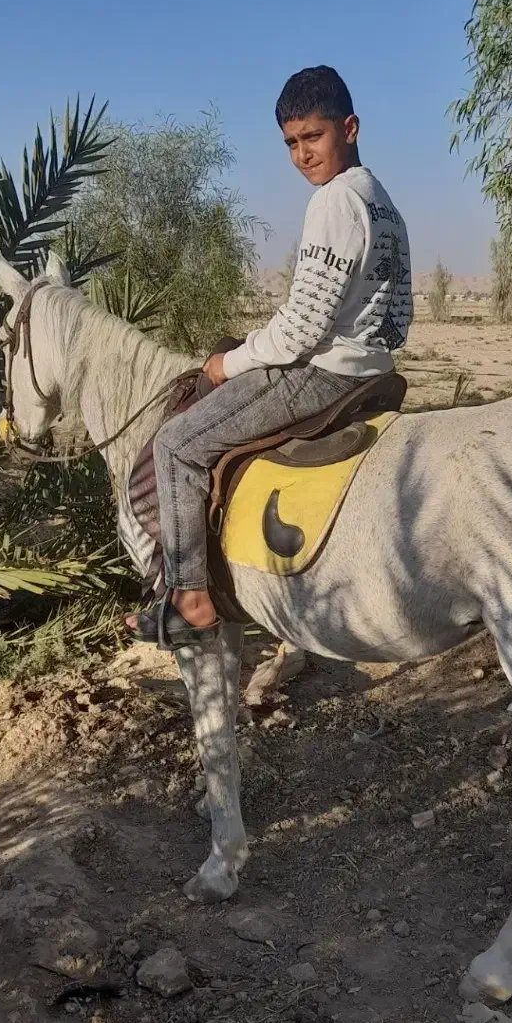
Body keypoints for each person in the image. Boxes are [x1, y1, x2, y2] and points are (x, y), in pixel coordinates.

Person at [130, 65, 413, 648]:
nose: (303, 154)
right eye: (291, 142)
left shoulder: (334, 202)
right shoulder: (383, 204)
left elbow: (301, 330)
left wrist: (225, 365)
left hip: (322, 376)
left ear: (350, 127)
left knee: (176, 444)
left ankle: (188, 600)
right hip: (373, 374)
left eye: (313, 137)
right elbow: (399, 315)